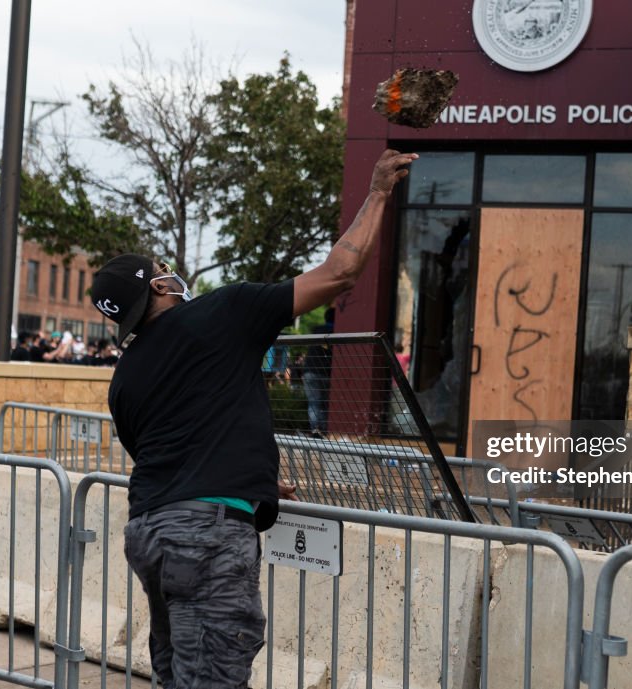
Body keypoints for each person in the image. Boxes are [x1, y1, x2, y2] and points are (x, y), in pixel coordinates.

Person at [90, 149, 417, 689]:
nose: (175, 276)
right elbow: (341, 272)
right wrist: (379, 189)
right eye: (165, 272)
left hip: (149, 533)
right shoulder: (223, 312)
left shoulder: (124, 377)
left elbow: (171, 453)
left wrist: (253, 479)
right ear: (157, 286)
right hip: (205, 538)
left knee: (178, 675)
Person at [303, 307, 334, 435]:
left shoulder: (316, 330)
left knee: (314, 402)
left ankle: (315, 429)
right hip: (327, 372)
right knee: (325, 403)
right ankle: (323, 429)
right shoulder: (337, 331)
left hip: (310, 371)